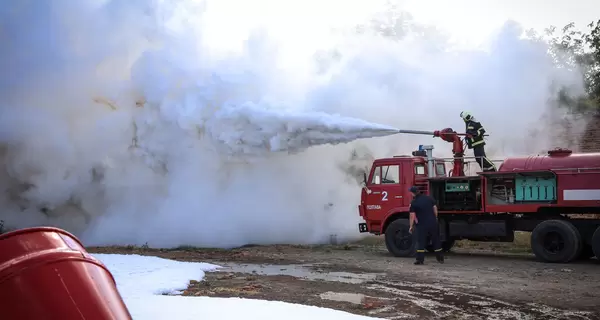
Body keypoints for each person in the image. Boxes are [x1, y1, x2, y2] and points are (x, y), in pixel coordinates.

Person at [408, 186, 444, 265]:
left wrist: (411, 226)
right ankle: (440, 258)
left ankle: (420, 260)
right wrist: (435, 217)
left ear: (413, 193)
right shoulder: (429, 198)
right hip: (432, 223)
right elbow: (435, 209)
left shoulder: (413, 202)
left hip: (422, 224)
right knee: (436, 239)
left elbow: (412, 216)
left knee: (421, 241)